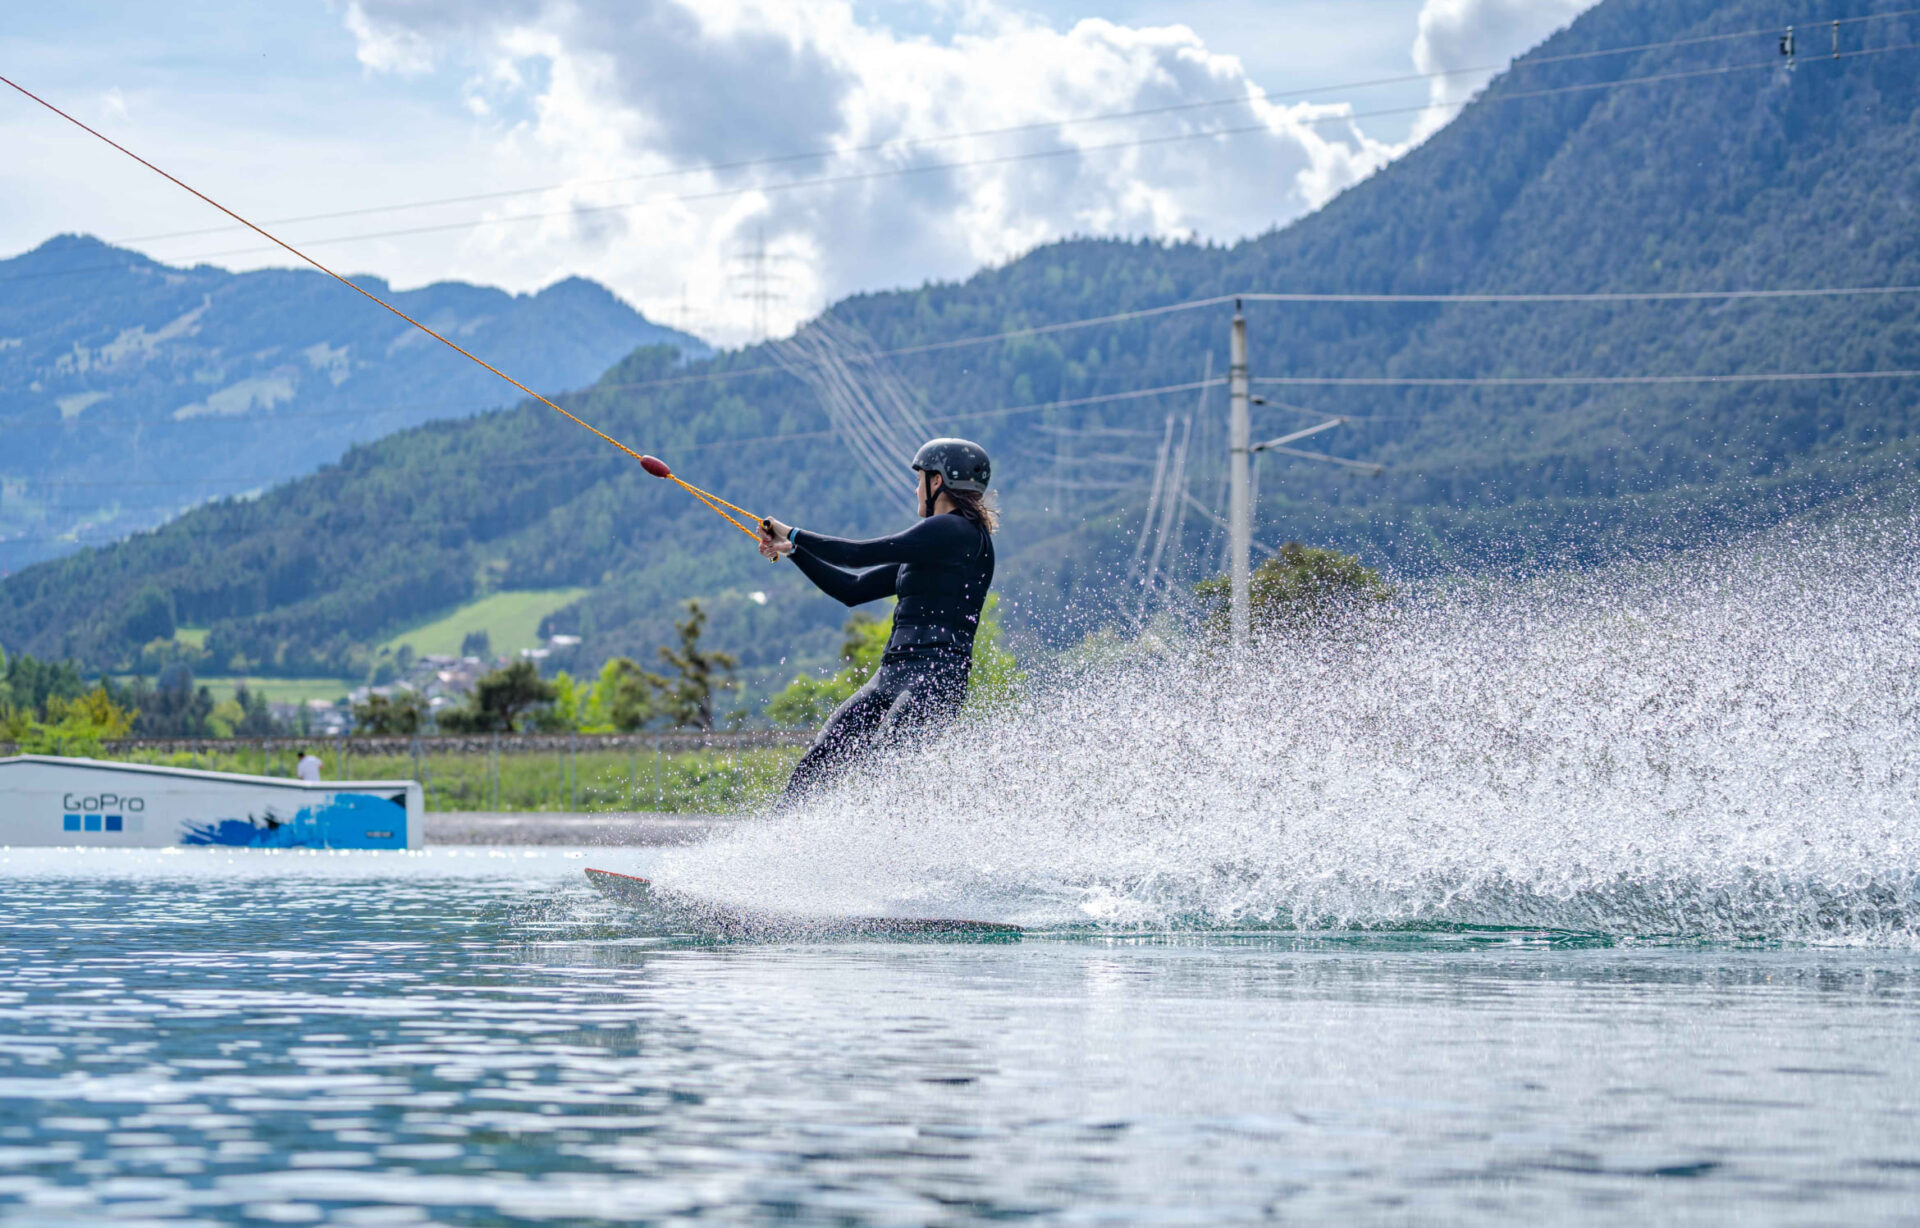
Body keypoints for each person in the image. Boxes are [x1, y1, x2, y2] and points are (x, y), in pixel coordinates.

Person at [759, 438, 997, 802]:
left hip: (936, 678)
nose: (916, 488)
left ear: (938, 482)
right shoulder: (934, 545)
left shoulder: (955, 531)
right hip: (893, 673)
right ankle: (780, 838)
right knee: (823, 757)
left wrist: (793, 532)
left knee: (882, 765)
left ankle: (889, 851)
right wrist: (794, 552)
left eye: (920, 479)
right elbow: (852, 589)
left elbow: (857, 554)